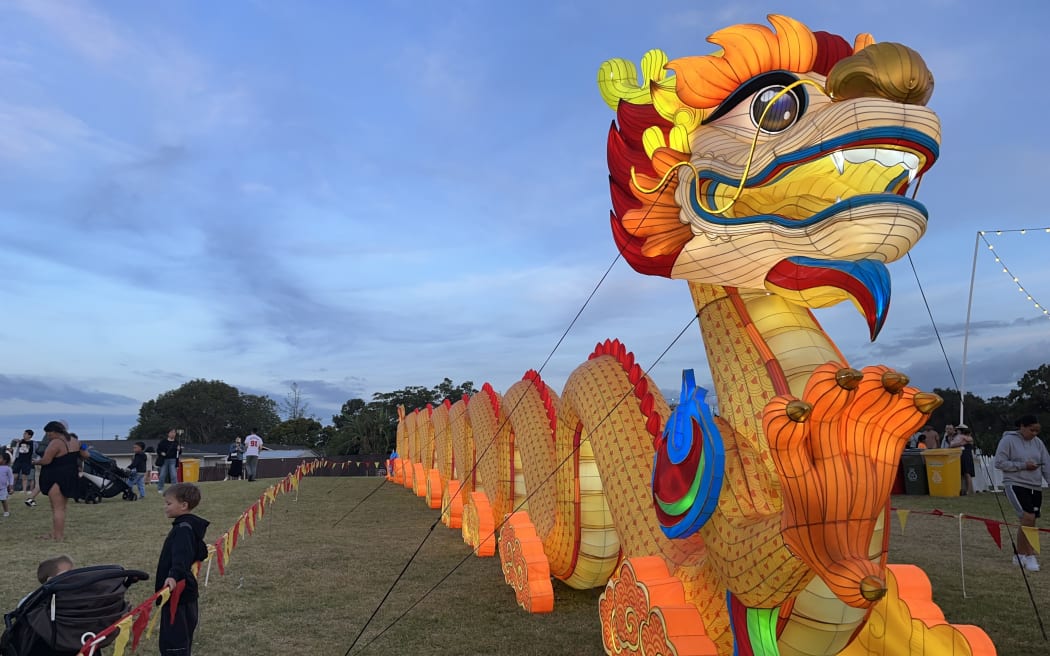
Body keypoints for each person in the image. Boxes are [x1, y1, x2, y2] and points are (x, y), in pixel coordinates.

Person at [156, 483, 209, 656]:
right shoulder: (191, 527)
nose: (166, 507)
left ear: (184, 505)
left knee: (174, 642)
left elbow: (180, 556)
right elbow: (201, 552)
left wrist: (173, 576)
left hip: (176, 595)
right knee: (183, 637)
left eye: (169, 503)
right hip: (188, 593)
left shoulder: (183, 530)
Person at [994, 415, 1050, 572]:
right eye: (1032, 430)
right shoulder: (1008, 440)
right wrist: (1023, 465)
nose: (1034, 434)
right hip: (1015, 483)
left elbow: (1046, 463)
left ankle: (1019, 555)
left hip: (1035, 485)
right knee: (1028, 516)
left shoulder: (1038, 443)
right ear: (1022, 427)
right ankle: (1030, 555)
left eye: (1037, 431)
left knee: (1029, 521)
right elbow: (999, 462)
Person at [35, 421, 87, 541]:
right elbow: (86, 455)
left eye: (49, 434)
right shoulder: (75, 440)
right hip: (70, 475)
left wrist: (35, 462)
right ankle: (55, 533)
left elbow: (46, 460)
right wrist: (82, 446)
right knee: (61, 508)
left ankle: (58, 536)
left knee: (57, 508)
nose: (48, 437)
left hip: (56, 477)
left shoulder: (56, 442)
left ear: (55, 432)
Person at [951, 424, 976, 495]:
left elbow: (952, 444)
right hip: (966, 454)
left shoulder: (961, 437)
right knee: (966, 473)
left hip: (964, 455)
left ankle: (968, 490)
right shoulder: (968, 438)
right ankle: (967, 490)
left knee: (966, 473)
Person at [155, 429, 182, 494]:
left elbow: (179, 453)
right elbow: (158, 450)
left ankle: (175, 489)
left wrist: (179, 449)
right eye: (172, 432)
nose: (173, 434)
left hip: (173, 460)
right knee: (162, 475)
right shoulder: (163, 442)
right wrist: (161, 453)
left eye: (174, 432)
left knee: (174, 475)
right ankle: (160, 488)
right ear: (168, 433)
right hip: (164, 460)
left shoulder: (177, 442)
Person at [13, 430, 35, 494]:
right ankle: (11, 489)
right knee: (15, 475)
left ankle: (24, 490)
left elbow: (33, 452)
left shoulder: (32, 443)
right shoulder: (21, 441)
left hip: (26, 461)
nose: (24, 435)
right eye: (24, 433)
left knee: (24, 476)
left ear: (29, 436)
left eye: (25, 434)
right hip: (18, 460)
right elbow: (16, 445)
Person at [0, 452, 13, 517]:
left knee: (3, 500)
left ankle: (6, 511)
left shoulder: (7, 468)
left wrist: (11, 486)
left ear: (4, 460)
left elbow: (11, 478)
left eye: (0, 458)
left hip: (3, 488)